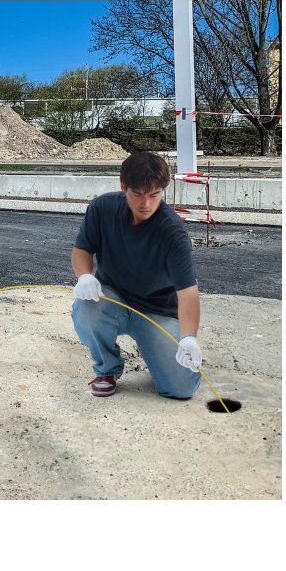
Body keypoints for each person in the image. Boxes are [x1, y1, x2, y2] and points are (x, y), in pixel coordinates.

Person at [71, 151, 203, 399]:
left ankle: (157, 347)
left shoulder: (172, 232)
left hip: (157, 311)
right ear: (123, 187)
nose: (146, 204)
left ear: (163, 190)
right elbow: (82, 249)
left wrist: (188, 337)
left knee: (181, 389)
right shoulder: (103, 209)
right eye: (138, 194)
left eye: (154, 195)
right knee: (87, 308)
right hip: (114, 299)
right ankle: (107, 369)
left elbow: (188, 292)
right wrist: (84, 276)